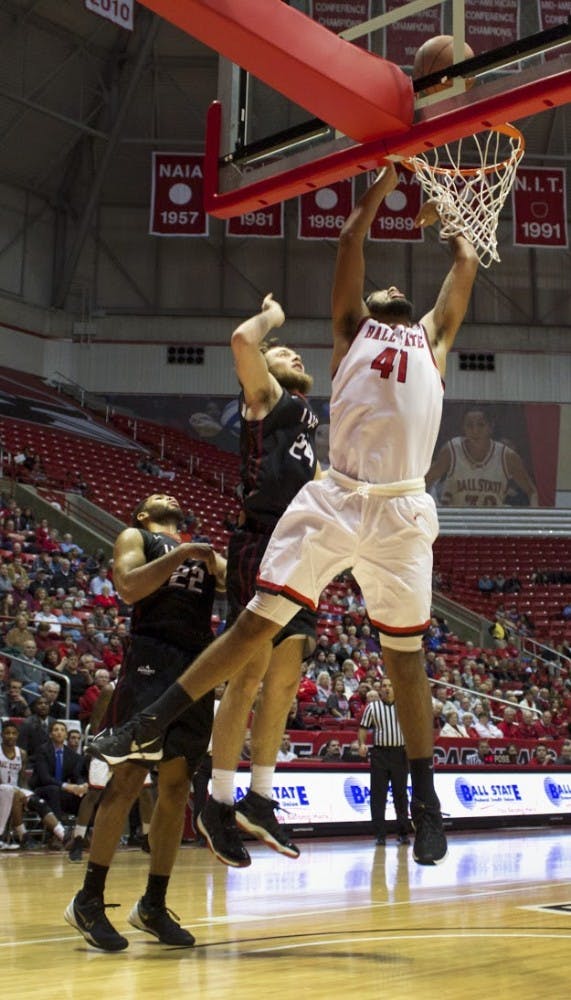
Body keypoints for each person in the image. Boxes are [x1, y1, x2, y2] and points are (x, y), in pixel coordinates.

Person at [89, 163, 480, 867]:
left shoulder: (433, 339)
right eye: (380, 286)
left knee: (406, 663)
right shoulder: (349, 326)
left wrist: (445, 207)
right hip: (336, 494)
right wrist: (389, 181)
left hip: (399, 507)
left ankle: (425, 803)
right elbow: (349, 240)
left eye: (398, 287)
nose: (390, 284)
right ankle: (148, 721)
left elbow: (465, 259)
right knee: (253, 626)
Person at [65, 493, 226, 952]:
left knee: (177, 786)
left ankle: (153, 905)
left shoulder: (203, 551)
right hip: (151, 657)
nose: (167, 496)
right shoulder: (137, 536)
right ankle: (88, 900)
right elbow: (130, 587)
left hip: (197, 663)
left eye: (170, 496)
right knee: (131, 777)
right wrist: (181, 553)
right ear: (142, 513)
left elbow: (240, 589)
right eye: (156, 496)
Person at [193, 293, 319, 868]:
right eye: (283, 351)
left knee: (285, 681)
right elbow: (245, 341)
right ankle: (217, 797)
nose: (291, 353)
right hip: (262, 541)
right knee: (247, 676)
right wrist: (274, 318)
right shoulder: (263, 396)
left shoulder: (304, 420)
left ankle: (260, 797)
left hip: (303, 550)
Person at [426, 407, 538, 507]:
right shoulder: (451, 451)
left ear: (491, 427)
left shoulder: (506, 456)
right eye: (469, 425)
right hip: (457, 522)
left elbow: (532, 492)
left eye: (481, 425)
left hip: (491, 523)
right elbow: (425, 482)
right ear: (463, 428)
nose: (475, 431)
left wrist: (535, 521)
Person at [358, 677, 410, 847]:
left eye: (390, 685)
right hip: (379, 754)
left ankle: (403, 833)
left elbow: (413, 727)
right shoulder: (372, 707)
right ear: (380, 690)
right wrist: (361, 744)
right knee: (378, 796)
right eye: (384, 686)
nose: (387, 689)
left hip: (399, 754)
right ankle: (380, 835)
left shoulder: (403, 706)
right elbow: (363, 728)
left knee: (400, 795)